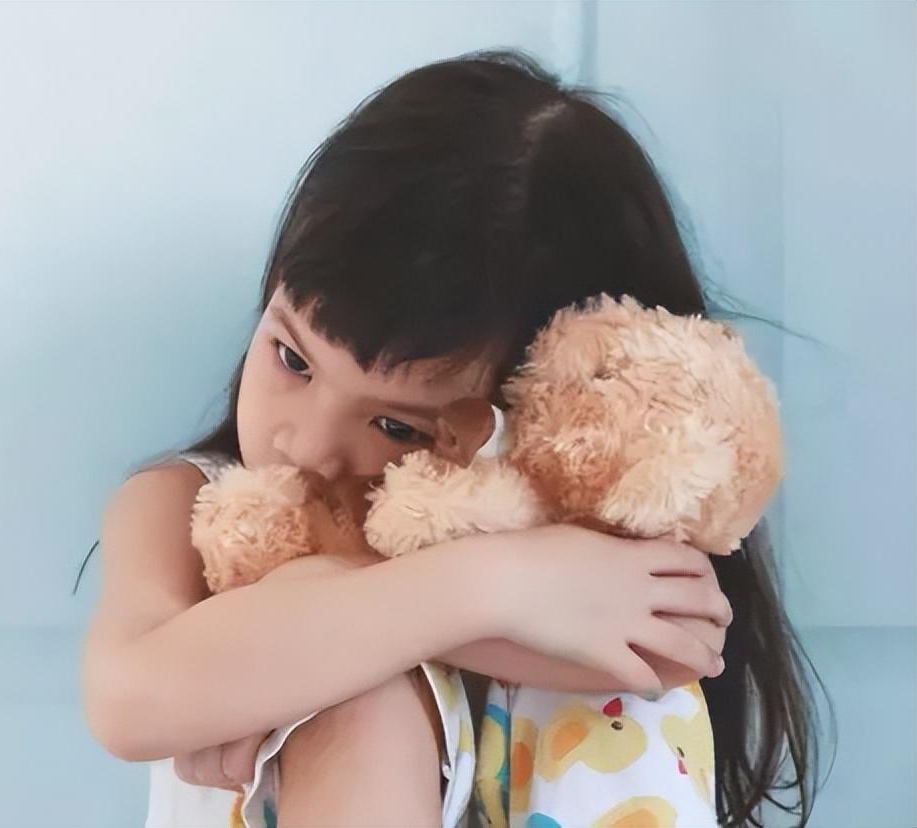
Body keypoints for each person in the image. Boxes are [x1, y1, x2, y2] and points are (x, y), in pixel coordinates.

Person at [79, 47, 825, 828]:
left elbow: (678, 645)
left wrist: (279, 634)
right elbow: (130, 696)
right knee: (358, 699)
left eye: (397, 425)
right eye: (292, 358)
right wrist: (495, 585)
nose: (307, 445)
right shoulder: (183, 504)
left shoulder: (590, 567)